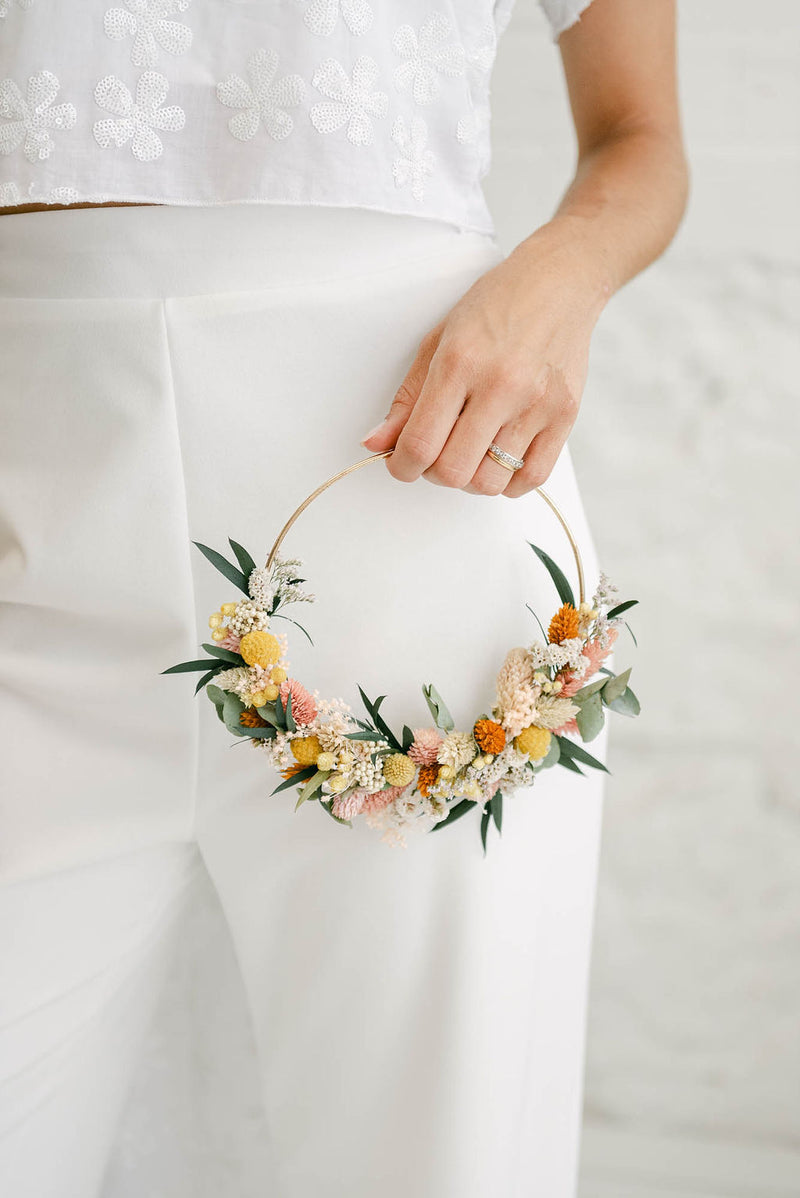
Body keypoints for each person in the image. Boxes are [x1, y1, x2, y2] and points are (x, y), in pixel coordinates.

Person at [0, 1, 687, 1195]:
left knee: (437, 1160)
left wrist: (555, 281)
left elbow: (639, 135)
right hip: (30, 485)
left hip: (411, 477)